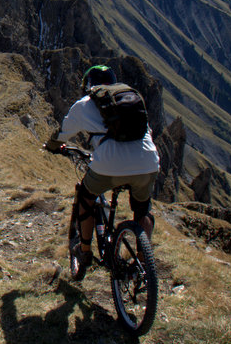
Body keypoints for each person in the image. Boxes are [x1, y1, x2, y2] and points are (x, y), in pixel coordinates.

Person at [45, 64, 159, 279]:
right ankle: (143, 263)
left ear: (87, 85)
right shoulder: (131, 101)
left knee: (86, 197)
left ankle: (85, 251)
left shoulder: (83, 105)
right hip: (148, 161)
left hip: (108, 164)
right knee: (143, 210)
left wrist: (51, 147)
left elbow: (62, 135)